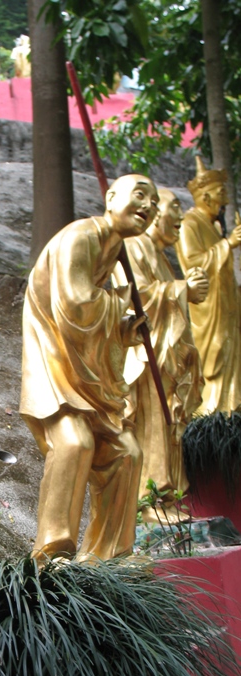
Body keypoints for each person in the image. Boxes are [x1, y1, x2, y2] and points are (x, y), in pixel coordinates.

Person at [20, 175, 158, 561]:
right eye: (141, 196)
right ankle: (51, 554)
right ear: (111, 197)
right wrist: (121, 300)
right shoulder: (81, 236)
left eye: (155, 204)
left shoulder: (115, 250)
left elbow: (96, 319)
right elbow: (76, 305)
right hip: (56, 363)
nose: (149, 207)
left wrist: (124, 329)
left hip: (87, 370)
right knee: (74, 443)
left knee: (126, 452)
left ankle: (109, 555)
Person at [115, 189, 206, 519]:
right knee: (152, 425)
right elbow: (133, 296)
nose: (180, 217)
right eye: (175, 207)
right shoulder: (134, 246)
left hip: (168, 355)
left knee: (168, 429)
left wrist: (183, 288)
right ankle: (149, 499)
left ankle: (166, 498)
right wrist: (183, 290)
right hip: (147, 355)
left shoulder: (159, 255)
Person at [176, 156, 241, 414]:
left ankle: (231, 406)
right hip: (208, 307)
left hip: (226, 303)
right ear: (205, 196)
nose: (224, 200)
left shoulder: (212, 225)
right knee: (216, 356)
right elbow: (193, 264)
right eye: (220, 194)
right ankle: (212, 411)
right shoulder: (189, 224)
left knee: (232, 353)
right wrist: (228, 244)